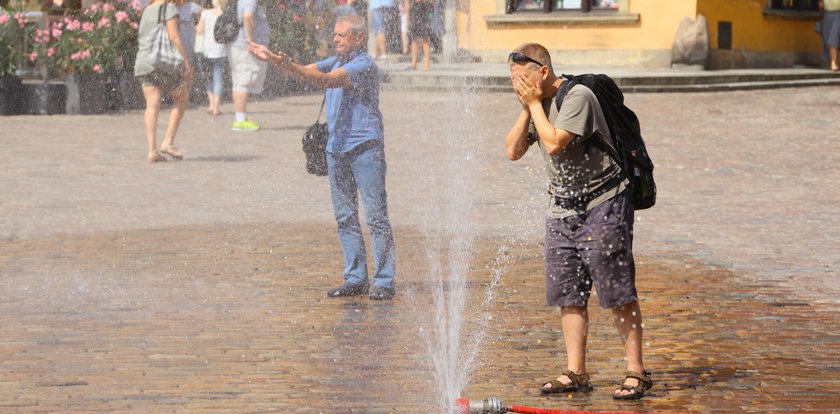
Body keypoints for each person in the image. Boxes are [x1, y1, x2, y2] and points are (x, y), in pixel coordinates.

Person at [504, 43, 652, 400]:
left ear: (543, 72)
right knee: (568, 293)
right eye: (513, 81)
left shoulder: (578, 97)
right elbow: (512, 151)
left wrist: (535, 104)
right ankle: (576, 371)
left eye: (523, 79)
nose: (518, 86)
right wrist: (527, 108)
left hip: (604, 202)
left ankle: (636, 371)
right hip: (561, 208)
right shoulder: (535, 104)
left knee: (616, 289)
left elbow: (555, 143)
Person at [249, 15, 397, 300]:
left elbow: (328, 82)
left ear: (358, 38)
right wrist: (274, 60)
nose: (336, 39)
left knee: (376, 218)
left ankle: (384, 280)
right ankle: (355, 278)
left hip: (365, 147)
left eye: (341, 35)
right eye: (335, 35)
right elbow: (304, 72)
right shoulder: (335, 60)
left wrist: (287, 64)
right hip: (336, 149)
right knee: (345, 217)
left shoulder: (363, 65)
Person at [134, 0, 193, 162]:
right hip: (163, 62)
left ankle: (152, 150)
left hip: (145, 61)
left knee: (151, 105)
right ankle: (168, 142)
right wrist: (186, 61)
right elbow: (173, 36)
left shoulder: (147, 10)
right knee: (181, 99)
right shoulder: (169, 8)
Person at [227, 0, 270, 131]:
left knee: (243, 79)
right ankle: (239, 120)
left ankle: (241, 117)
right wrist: (251, 42)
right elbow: (247, 17)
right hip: (244, 47)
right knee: (243, 80)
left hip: (241, 46)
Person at [196, 0, 227, 115]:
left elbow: (199, 31)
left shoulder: (206, 14)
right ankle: (216, 108)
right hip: (221, 50)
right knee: (218, 78)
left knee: (207, 77)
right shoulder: (225, 14)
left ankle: (211, 104)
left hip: (206, 51)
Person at [407, 0, 434, 70]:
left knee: (425, 38)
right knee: (414, 39)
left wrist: (430, 16)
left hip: (425, 8)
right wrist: (408, 17)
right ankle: (414, 63)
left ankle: (427, 63)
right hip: (415, 8)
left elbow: (431, 7)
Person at [820, 0, 840, 71]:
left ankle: (833, 62)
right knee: (827, 39)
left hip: (838, 14)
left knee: (833, 39)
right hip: (826, 14)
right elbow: (821, 5)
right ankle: (833, 60)